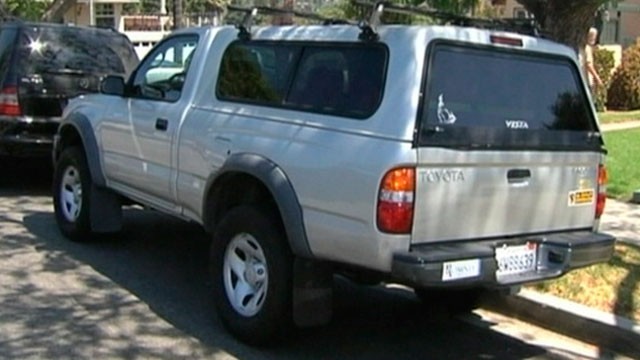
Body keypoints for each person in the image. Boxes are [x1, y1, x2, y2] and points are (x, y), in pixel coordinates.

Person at [581, 27, 604, 93]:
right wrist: (597, 78)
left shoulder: (585, 48)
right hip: (587, 80)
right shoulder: (587, 49)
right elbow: (589, 65)